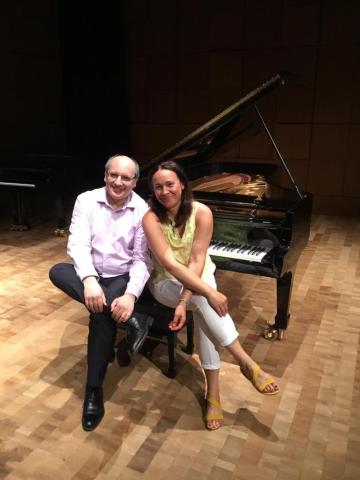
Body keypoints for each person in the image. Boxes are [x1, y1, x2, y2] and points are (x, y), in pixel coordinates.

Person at [142, 160, 280, 431]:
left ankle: (213, 395)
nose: (164, 191)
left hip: (199, 276)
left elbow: (197, 259)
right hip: (164, 284)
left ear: (182, 184)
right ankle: (246, 362)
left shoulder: (202, 212)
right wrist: (198, 294)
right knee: (206, 299)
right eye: (158, 187)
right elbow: (170, 264)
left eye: (170, 184)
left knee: (203, 304)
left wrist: (188, 299)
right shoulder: (150, 219)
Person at [49, 155, 153, 431]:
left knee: (100, 318)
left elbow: (142, 259)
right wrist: (89, 279)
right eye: (113, 175)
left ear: (135, 182)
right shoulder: (86, 200)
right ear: (105, 175)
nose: (118, 182)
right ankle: (132, 321)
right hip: (92, 273)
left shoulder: (142, 210)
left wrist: (130, 295)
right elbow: (78, 244)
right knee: (57, 271)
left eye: (125, 177)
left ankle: (93, 389)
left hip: (121, 276)